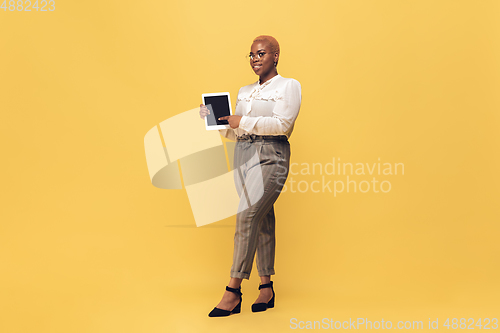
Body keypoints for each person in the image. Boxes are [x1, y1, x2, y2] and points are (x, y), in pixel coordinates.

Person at [199, 35, 302, 317]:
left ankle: (233, 290)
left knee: (247, 214)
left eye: (261, 54)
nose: (255, 59)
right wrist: (217, 123)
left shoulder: (289, 86)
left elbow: (282, 124)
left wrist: (242, 120)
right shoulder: (244, 91)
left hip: (272, 153)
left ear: (275, 56)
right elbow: (238, 131)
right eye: (252, 55)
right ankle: (266, 287)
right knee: (262, 218)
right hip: (244, 153)